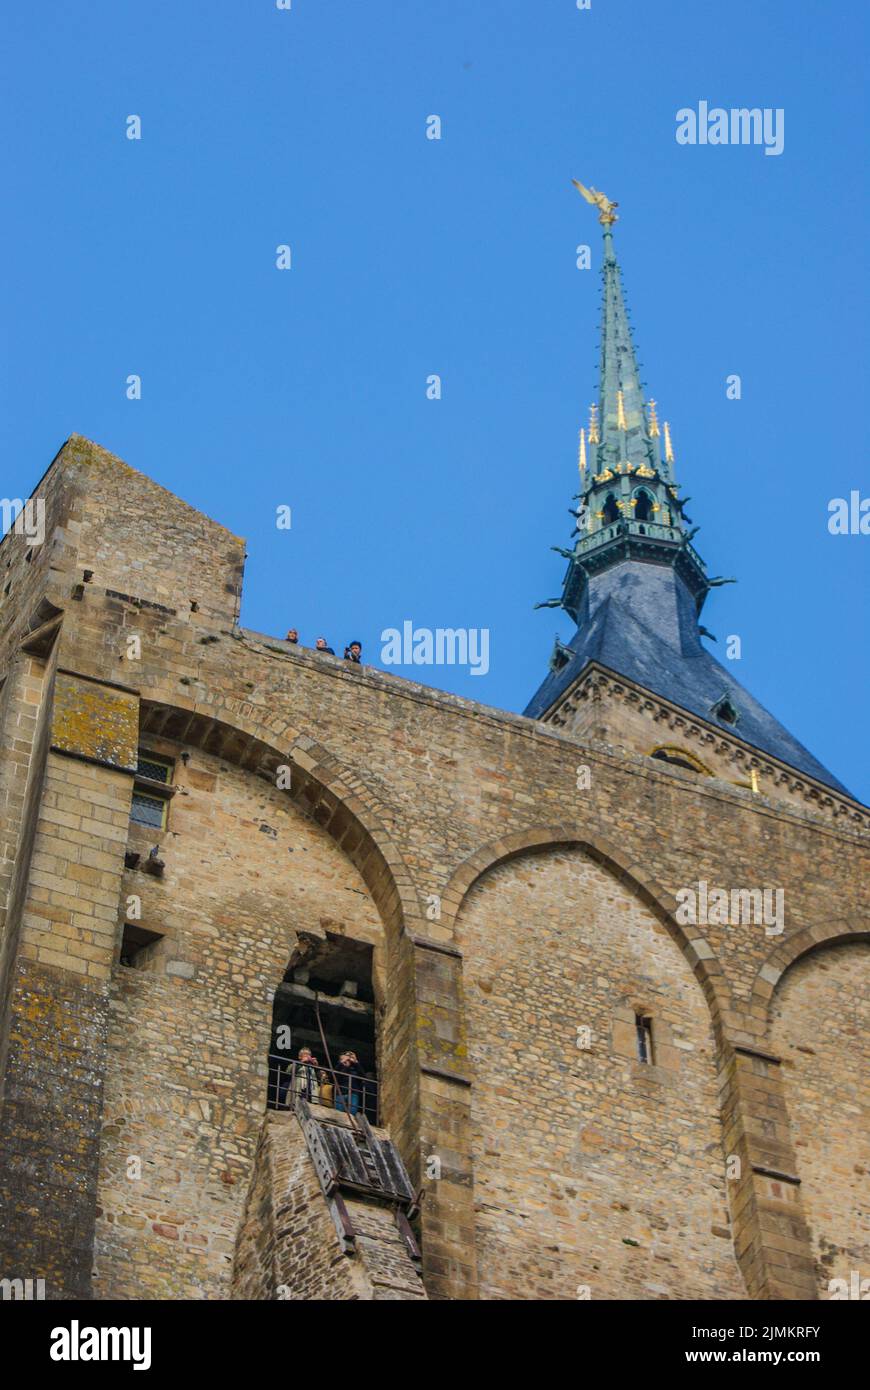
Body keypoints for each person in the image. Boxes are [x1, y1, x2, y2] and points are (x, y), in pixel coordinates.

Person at [335, 1050, 364, 1116]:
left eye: (349, 1056)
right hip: (340, 1093)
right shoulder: (339, 1067)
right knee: (339, 1113)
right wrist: (343, 1065)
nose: (348, 1058)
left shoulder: (355, 1068)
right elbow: (334, 1076)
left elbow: (362, 1076)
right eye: (346, 1056)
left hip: (353, 1093)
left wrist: (356, 1062)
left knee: (352, 1113)